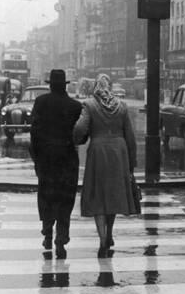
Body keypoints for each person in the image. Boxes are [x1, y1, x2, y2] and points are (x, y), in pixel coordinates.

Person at [73, 74, 137, 258]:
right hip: (119, 153)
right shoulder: (122, 106)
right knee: (114, 195)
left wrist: (78, 140)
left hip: (98, 152)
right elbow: (130, 137)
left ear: (95, 87)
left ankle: (102, 240)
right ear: (110, 87)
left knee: (99, 197)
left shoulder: (89, 105)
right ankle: (109, 234)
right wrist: (131, 163)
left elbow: (79, 129)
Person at [30, 69, 82, 259]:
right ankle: (61, 237)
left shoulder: (41, 103)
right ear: (65, 85)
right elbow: (81, 135)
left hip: (46, 158)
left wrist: (36, 157)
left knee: (47, 195)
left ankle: (47, 232)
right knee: (65, 198)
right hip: (67, 159)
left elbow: (33, 132)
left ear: (50, 84)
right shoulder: (75, 106)